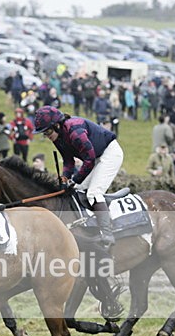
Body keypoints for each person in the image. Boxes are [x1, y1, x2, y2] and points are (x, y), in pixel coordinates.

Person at [33, 105, 123, 313]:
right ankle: (87, 222)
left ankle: (106, 233)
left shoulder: (74, 130)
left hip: (109, 154)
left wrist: (75, 179)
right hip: (94, 158)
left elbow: (89, 159)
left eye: (47, 131)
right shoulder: (59, 136)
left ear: (56, 124)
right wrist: (65, 178)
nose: (47, 136)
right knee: (77, 190)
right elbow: (67, 160)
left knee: (93, 192)